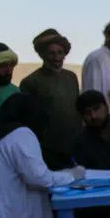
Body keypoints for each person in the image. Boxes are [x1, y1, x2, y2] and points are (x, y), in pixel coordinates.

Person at [19, 29, 83, 169]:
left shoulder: (71, 77)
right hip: (47, 151)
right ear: (42, 54)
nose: (56, 58)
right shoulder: (30, 82)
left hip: (74, 147)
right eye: (51, 53)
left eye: (60, 53)